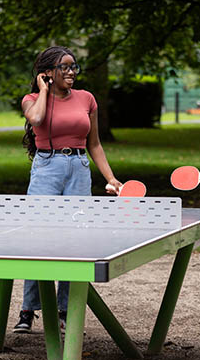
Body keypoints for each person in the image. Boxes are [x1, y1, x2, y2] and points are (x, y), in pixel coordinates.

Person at [13, 46, 122, 334]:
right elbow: (35, 120)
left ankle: (64, 310)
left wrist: (111, 178)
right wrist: (44, 90)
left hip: (79, 168)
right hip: (47, 166)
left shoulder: (87, 99)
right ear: (48, 73)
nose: (72, 72)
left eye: (74, 67)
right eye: (65, 67)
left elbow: (94, 144)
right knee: (39, 238)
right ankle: (28, 308)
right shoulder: (32, 100)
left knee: (75, 241)